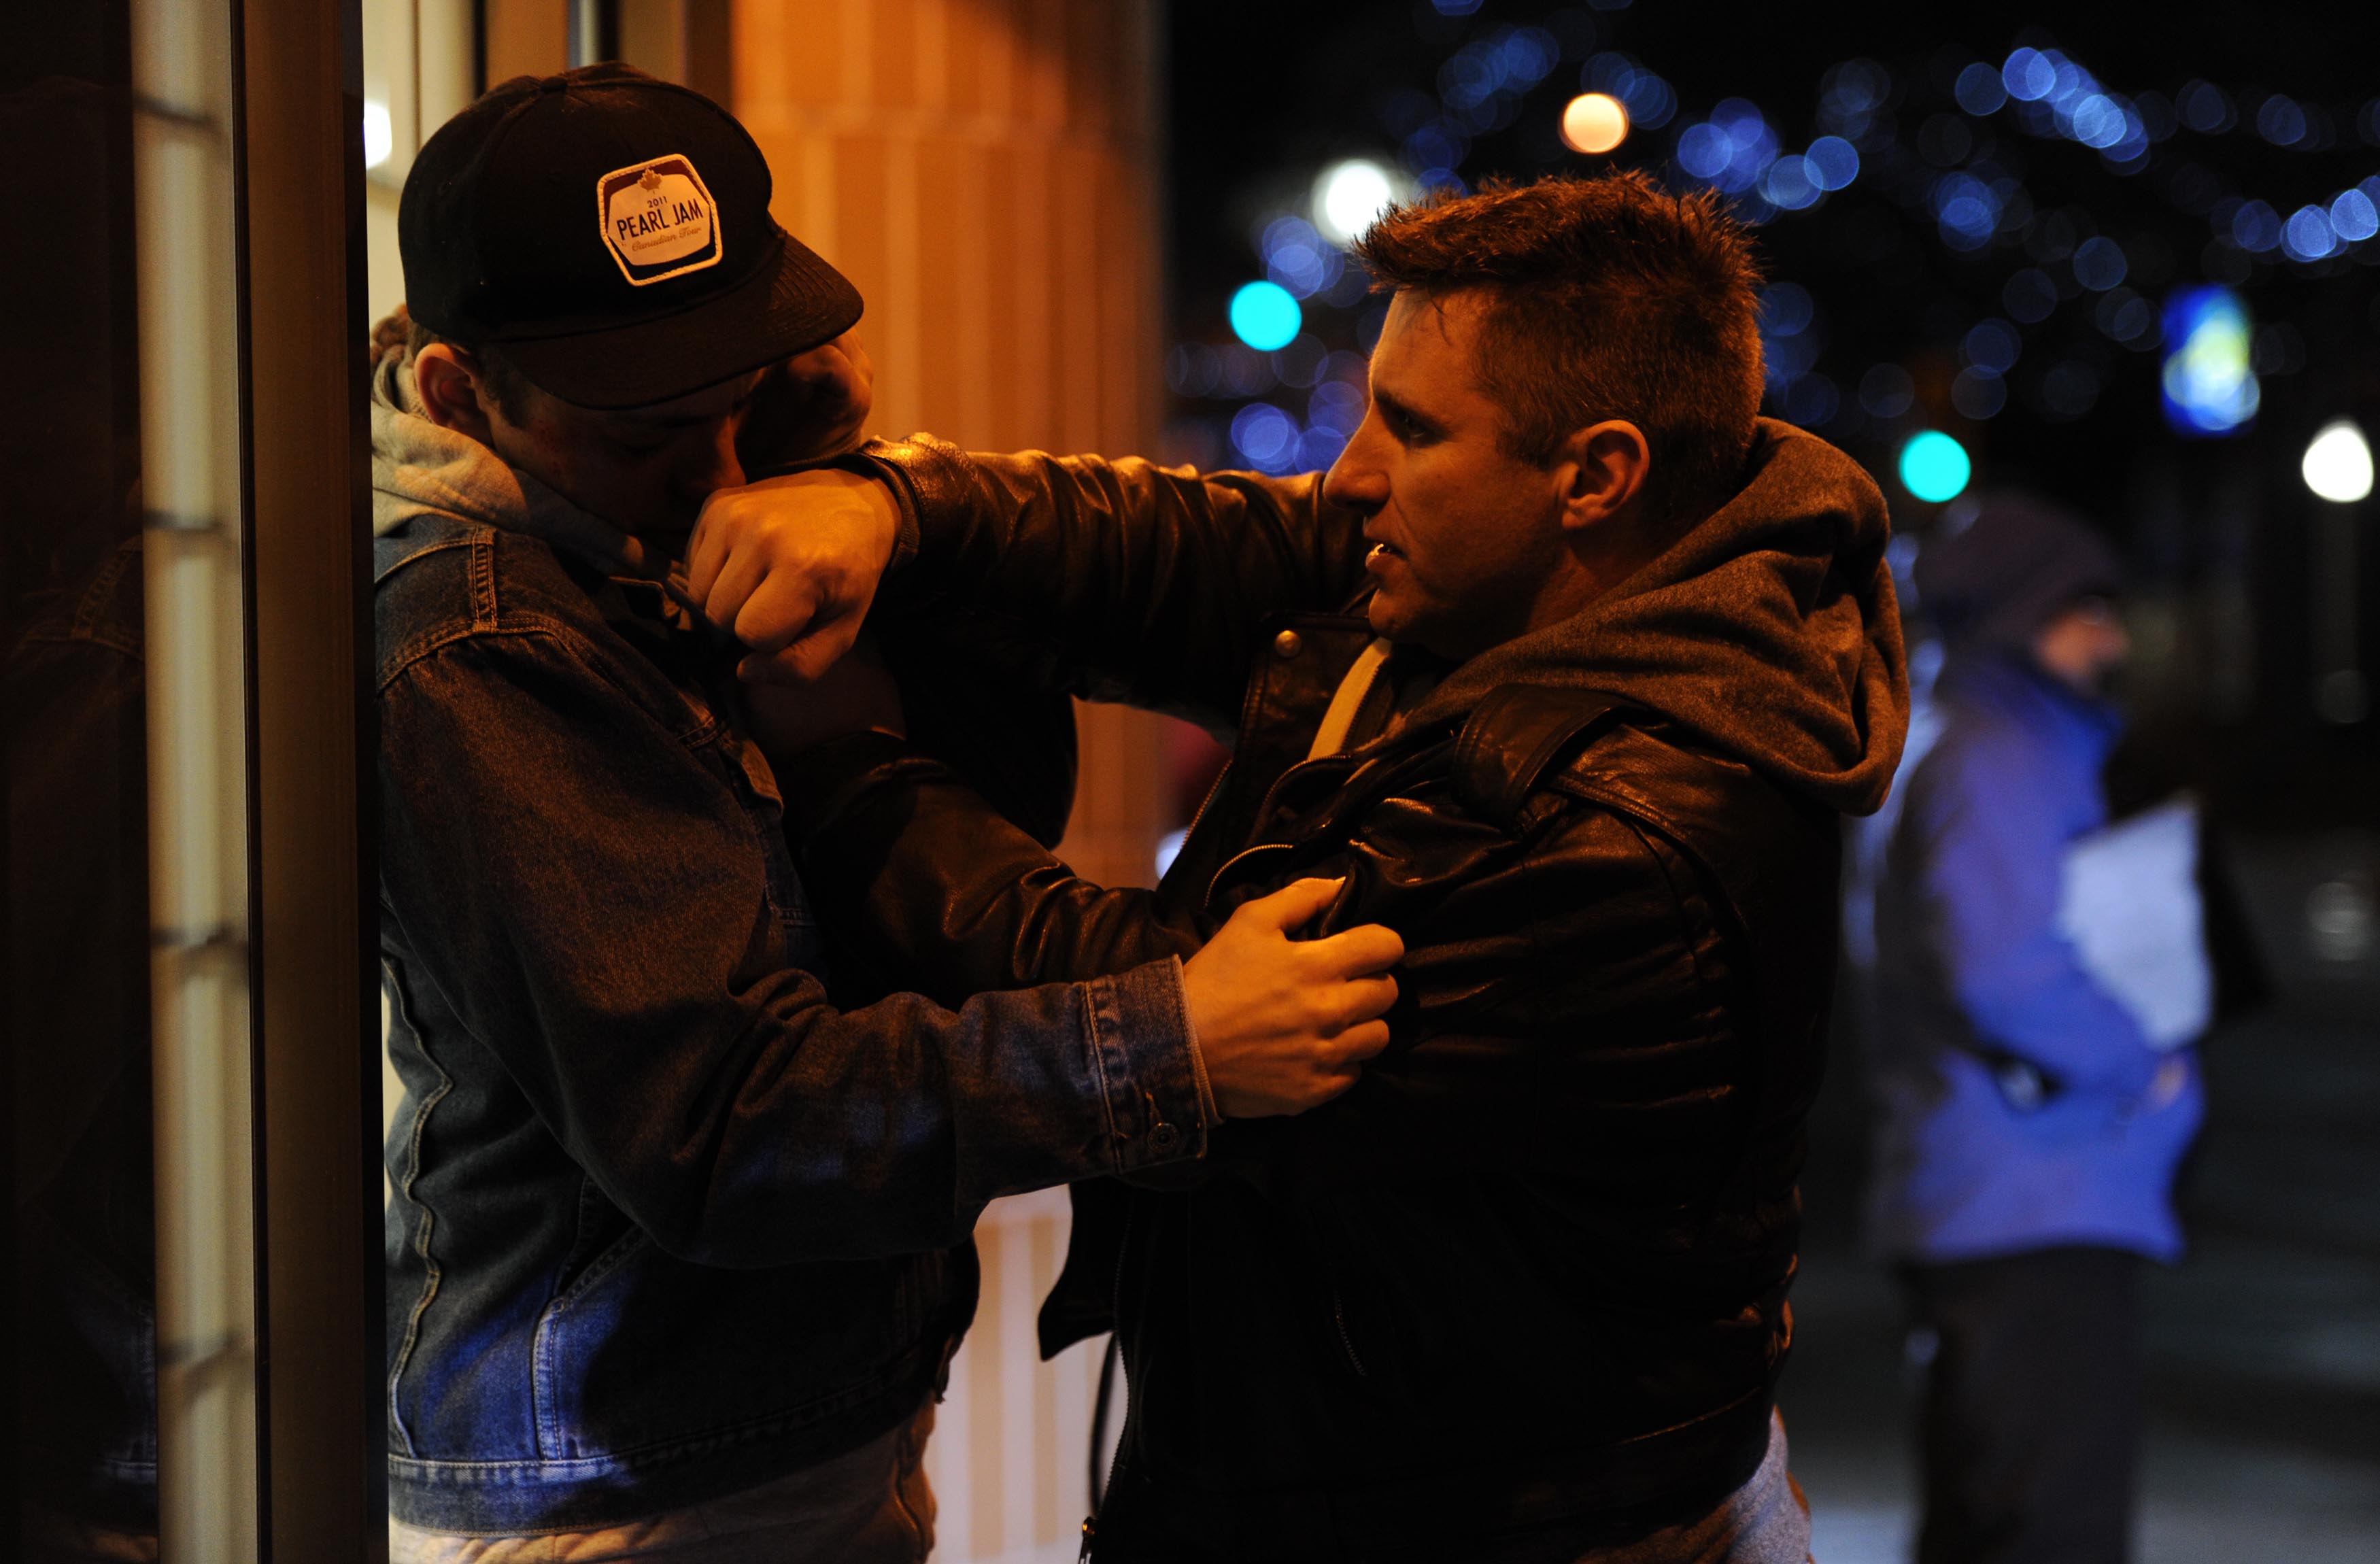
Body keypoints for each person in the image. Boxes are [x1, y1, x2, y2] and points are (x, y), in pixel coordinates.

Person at [692, 172, 1909, 1561]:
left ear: (1595, 475)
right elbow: (1188, 548)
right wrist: (892, 507)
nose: (1350, 472)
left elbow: (1171, 1016)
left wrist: (851, 763)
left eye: (1413, 427)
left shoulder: (1611, 834)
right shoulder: (1495, 588)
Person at [373, 64, 1404, 1558]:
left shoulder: (646, 532)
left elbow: (977, 803)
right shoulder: (485, 645)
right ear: (465, 391)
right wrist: (1167, 1040)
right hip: (639, 1480)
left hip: (758, 1425)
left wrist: (866, 492)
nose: (711, 462)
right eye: (646, 425)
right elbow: (721, 1122)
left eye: (733, 394)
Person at [1867, 495, 2204, 1564]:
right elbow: (2005, 968)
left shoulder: (1960, 744)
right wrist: (2140, 1065)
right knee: (2050, 1528)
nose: (2111, 637)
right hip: (2034, 1201)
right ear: (2024, 615)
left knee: (1987, 1518)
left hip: (1989, 1195)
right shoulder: (2001, 757)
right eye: (2088, 608)